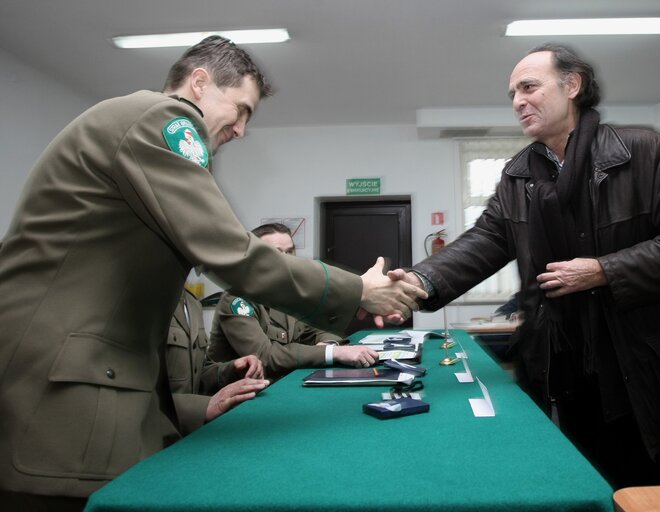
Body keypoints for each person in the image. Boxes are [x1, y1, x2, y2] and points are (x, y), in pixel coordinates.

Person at [0, 35, 425, 508]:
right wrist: (358, 290)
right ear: (199, 83)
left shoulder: (130, 125)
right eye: (241, 109)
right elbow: (232, 251)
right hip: (59, 386)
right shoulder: (161, 118)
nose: (242, 129)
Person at [388, 43, 660, 489]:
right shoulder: (519, 174)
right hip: (560, 362)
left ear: (572, 86)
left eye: (528, 87)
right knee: (575, 483)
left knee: (638, 489)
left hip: (639, 363)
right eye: (511, 94)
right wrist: (418, 280)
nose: (517, 102)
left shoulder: (643, 151)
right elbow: (487, 239)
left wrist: (604, 269)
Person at [209, 223, 379, 380]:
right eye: (275, 252)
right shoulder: (237, 298)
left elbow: (317, 330)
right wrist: (332, 352)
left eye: (290, 252)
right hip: (239, 398)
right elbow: (264, 356)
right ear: (254, 256)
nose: (285, 260)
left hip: (280, 383)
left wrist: (328, 344)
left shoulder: (287, 293)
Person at [166, 288, 270, 435]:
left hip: (192, 435)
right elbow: (134, 396)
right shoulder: (139, 300)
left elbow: (195, 374)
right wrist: (202, 407)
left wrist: (231, 370)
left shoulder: (192, 303)